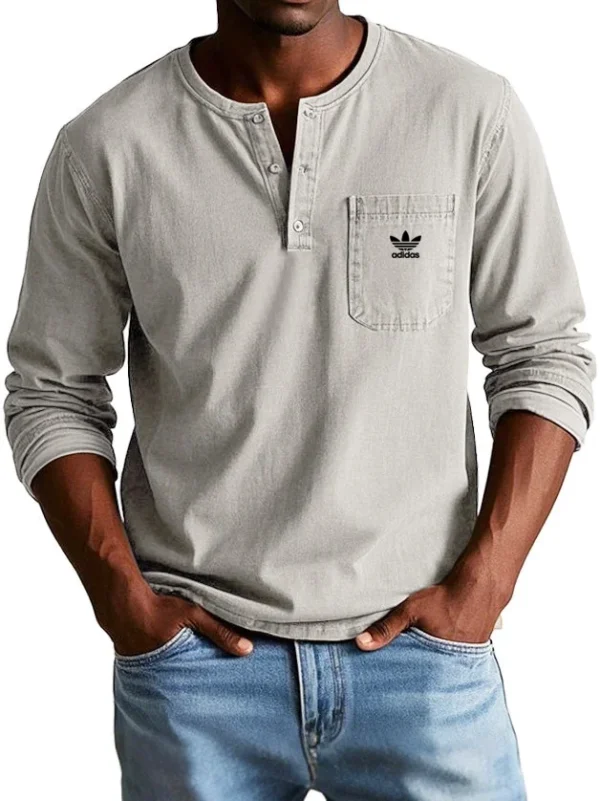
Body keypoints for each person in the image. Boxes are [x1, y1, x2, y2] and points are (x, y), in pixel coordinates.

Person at [4, 2, 595, 799]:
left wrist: (486, 582)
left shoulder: (467, 111)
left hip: (423, 663)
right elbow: (52, 390)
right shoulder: (108, 145)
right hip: (197, 674)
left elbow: (543, 352)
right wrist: (124, 601)